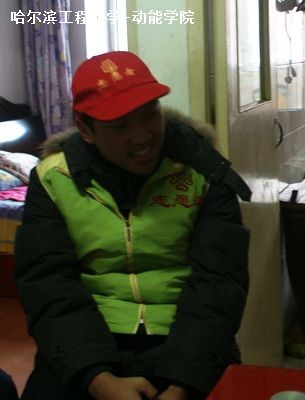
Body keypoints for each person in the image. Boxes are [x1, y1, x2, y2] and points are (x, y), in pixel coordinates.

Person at [14, 51, 251, 400]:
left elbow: (219, 283)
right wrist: (99, 380)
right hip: (89, 338)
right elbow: (48, 284)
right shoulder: (53, 179)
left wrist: (182, 384)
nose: (142, 136)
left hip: (187, 339)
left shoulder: (204, 172)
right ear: (85, 129)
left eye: (150, 114)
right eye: (120, 126)